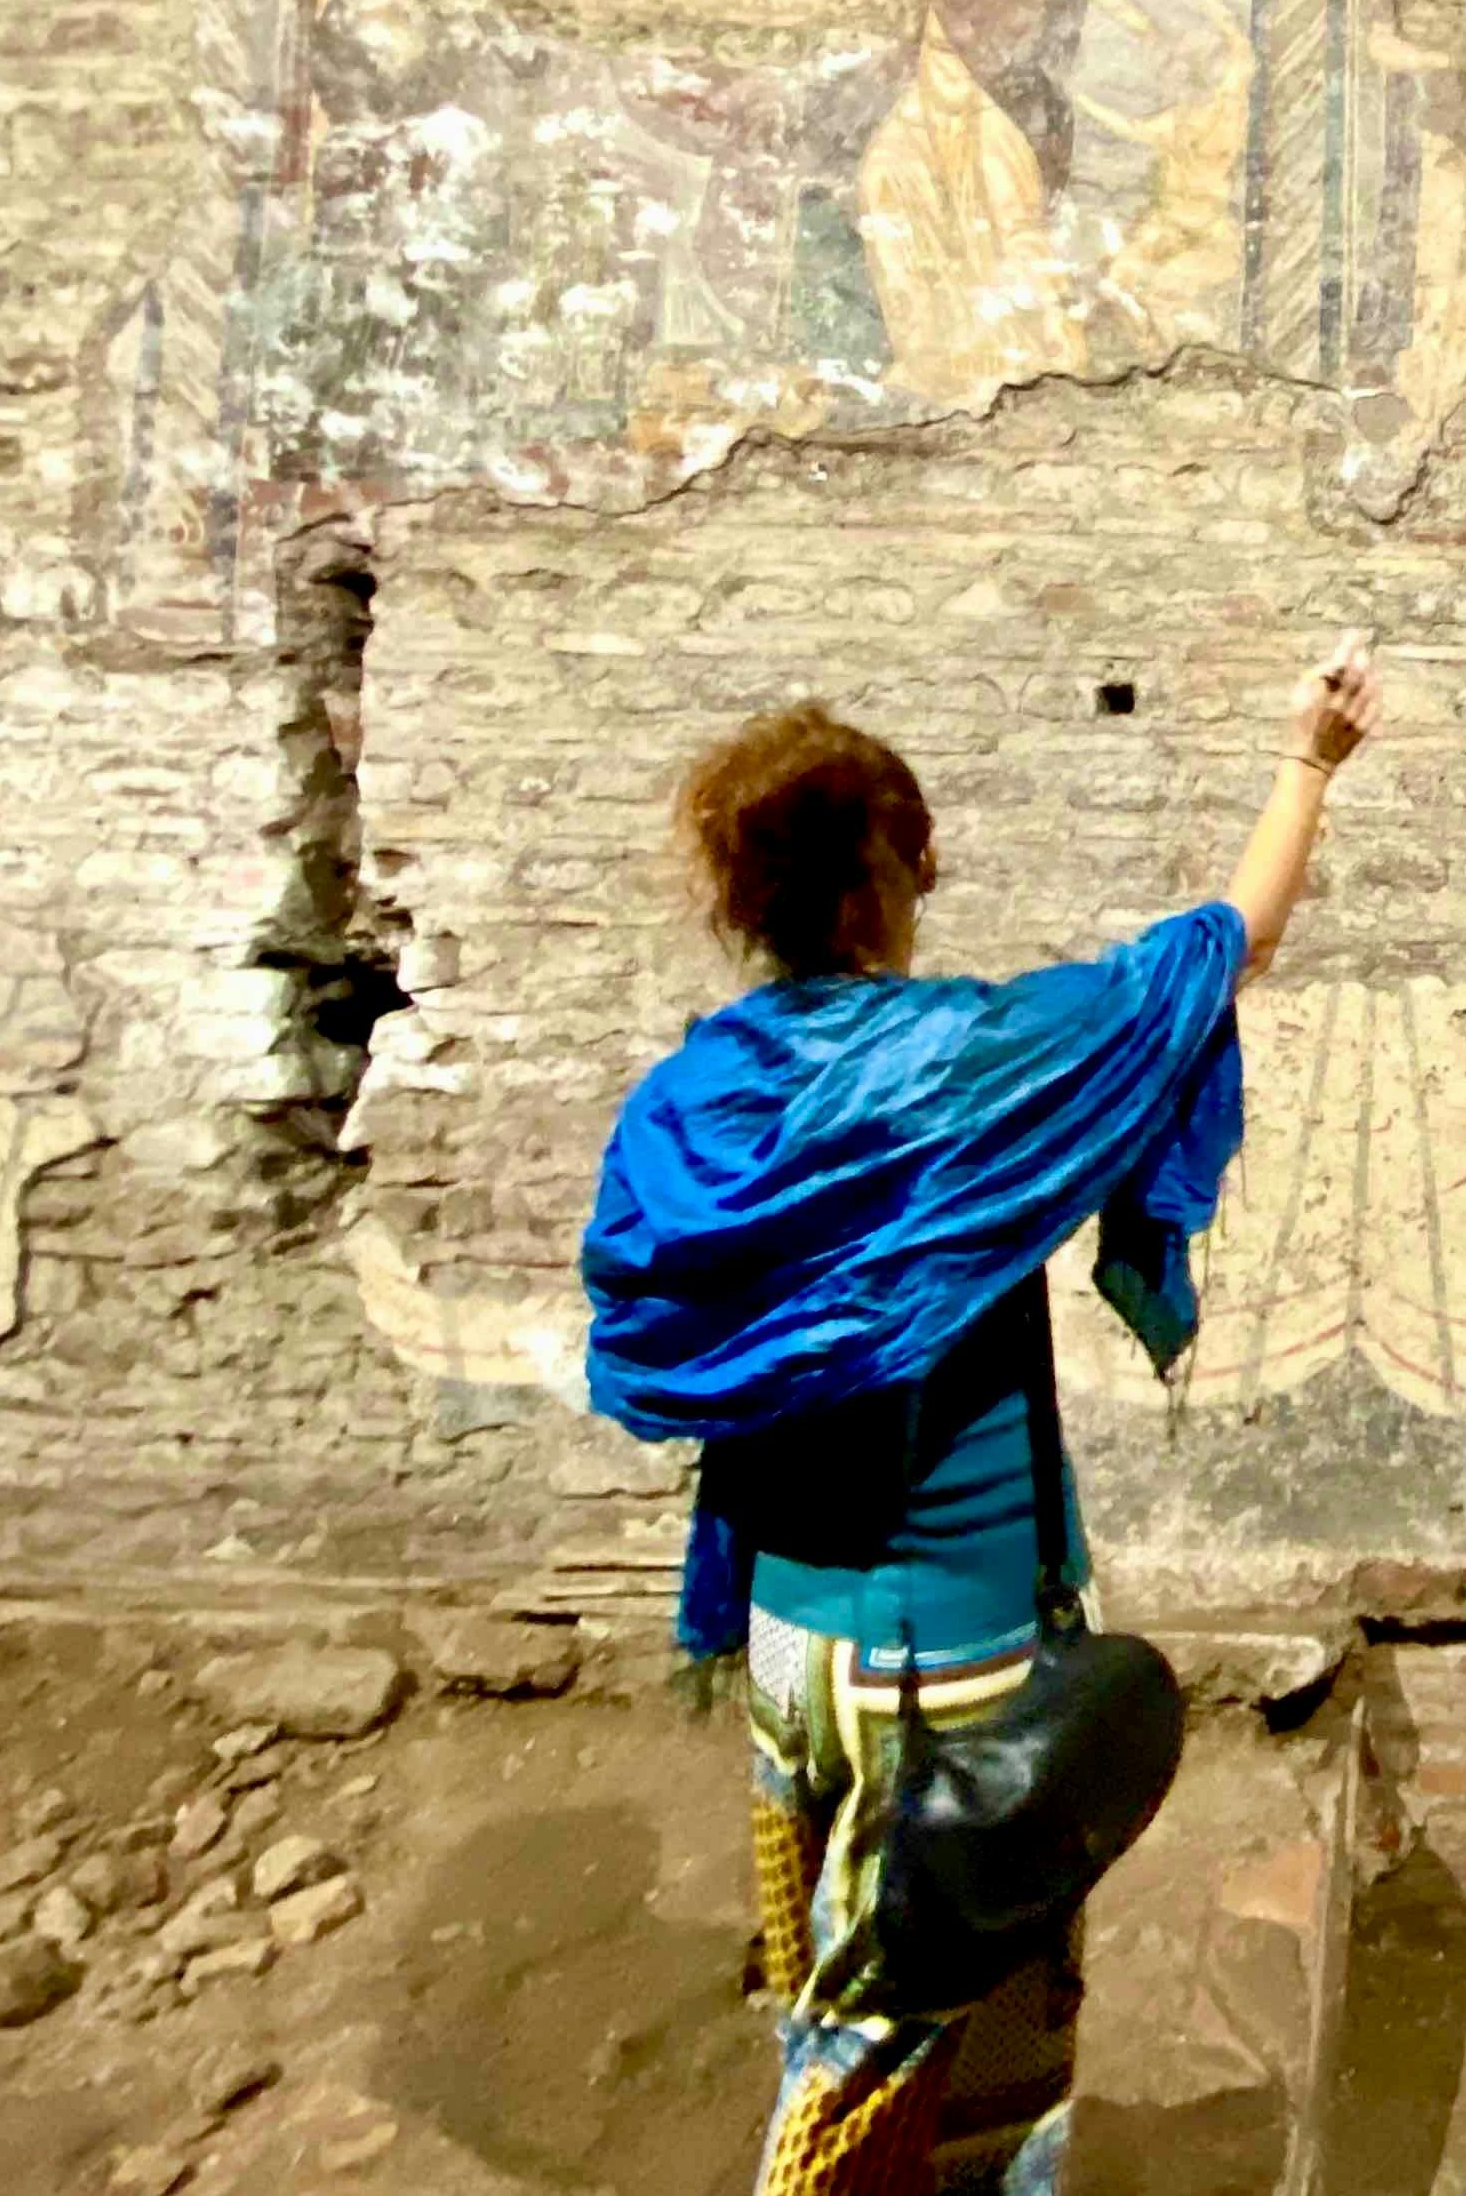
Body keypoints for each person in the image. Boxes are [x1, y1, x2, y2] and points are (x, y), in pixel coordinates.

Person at [579, 639, 1384, 2196]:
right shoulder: (966, 1069)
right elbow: (1222, 952)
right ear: (898, 867)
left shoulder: (689, 1104)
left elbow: (648, 1331)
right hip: (944, 1669)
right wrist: (1311, 760)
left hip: (785, 1649)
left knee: (929, 2027)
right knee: (867, 2066)